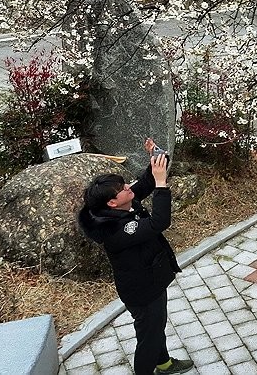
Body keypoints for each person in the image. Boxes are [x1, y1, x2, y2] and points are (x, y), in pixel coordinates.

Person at [78, 138, 193, 375]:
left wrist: (156, 154)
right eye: (122, 189)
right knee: (148, 339)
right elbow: (159, 222)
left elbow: (147, 180)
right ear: (111, 202)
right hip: (142, 291)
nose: (128, 187)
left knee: (154, 329)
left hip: (150, 280)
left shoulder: (123, 204)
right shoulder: (117, 230)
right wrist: (162, 184)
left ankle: (164, 364)